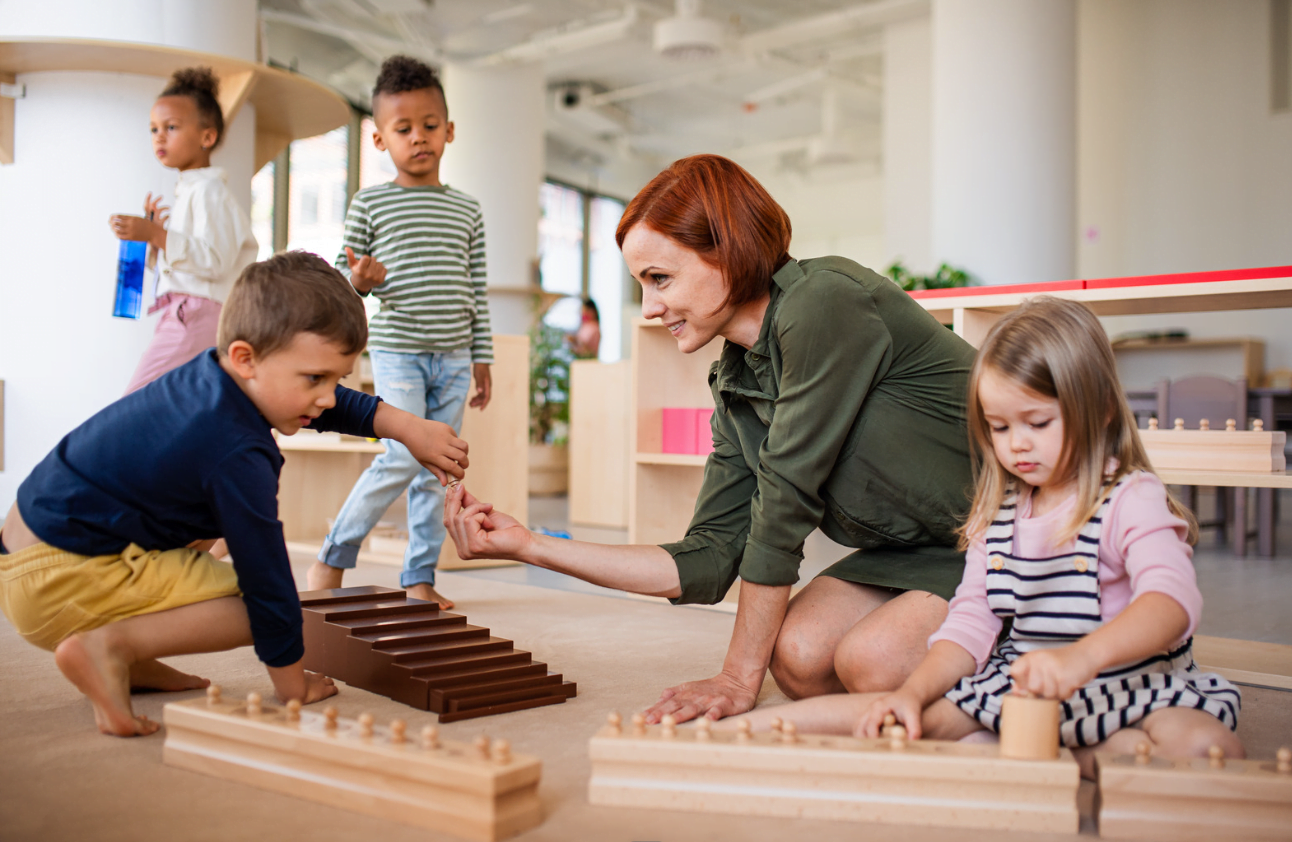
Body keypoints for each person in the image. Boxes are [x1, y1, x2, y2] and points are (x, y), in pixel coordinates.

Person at [445, 154, 977, 723]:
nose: (649, 308)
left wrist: (736, 677)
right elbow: (709, 556)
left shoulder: (823, 302)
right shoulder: (736, 378)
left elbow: (783, 509)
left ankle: (1065, 635)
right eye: (641, 285)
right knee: (797, 658)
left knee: (874, 662)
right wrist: (532, 546)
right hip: (918, 552)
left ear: (728, 251)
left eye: (660, 279)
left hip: (1010, 537)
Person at [727, 297, 1243, 780]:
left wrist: (1081, 659)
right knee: (903, 723)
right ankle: (1066, 753)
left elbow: (1170, 603)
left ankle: (1048, 752)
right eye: (998, 427)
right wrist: (913, 692)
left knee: (1204, 748)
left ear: (1102, 410)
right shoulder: (999, 514)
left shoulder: (1132, 497)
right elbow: (972, 622)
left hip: (1133, 685)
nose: (1016, 444)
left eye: (1037, 422)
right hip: (1025, 689)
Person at [0, 252, 469, 737]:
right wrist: (292, 686)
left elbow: (320, 404)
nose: (328, 397)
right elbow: (267, 579)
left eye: (337, 379)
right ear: (246, 357)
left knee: (211, 528)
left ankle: (132, 659)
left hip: (27, 556)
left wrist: (407, 427)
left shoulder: (212, 378)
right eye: (315, 379)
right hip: (56, 581)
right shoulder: (239, 451)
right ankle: (108, 646)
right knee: (262, 602)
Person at [305, 55, 492, 611]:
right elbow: (343, 286)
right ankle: (333, 555)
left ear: (449, 131)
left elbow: (475, 288)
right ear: (381, 139)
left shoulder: (467, 210)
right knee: (403, 455)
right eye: (403, 129)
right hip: (398, 350)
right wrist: (358, 281)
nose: (419, 138)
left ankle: (418, 578)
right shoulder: (369, 203)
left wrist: (483, 359)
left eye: (430, 126)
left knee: (438, 468)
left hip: (457, 356)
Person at [110, 66, 258, 395]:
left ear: (208, 137)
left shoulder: (209, 192)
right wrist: (154, 240)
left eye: (171, 127)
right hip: (187, 312)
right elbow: (188, 263)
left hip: (196, 313)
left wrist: (156, 235)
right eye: (153, 129)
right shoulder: (191, 192)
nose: (159, 136)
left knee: (137, 403)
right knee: (186, 409)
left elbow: (214, 261)